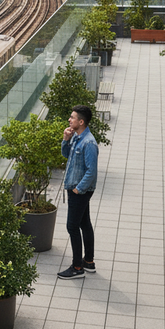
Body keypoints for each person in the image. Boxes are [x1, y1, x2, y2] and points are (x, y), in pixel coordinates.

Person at [57, 105, 99, 280]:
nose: (69, 119)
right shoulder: (77, 137)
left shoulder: (89, 142)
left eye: (72, 117)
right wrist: (66, 139)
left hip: (79, 191)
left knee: (72, 226)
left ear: (81, 122)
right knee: (84, 223)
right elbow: (66, 155)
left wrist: (78, 189)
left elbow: (92, 171)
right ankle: (88, 262)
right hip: (76, 188)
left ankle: (77, 267)